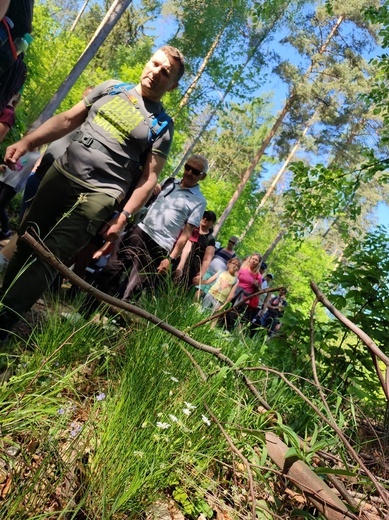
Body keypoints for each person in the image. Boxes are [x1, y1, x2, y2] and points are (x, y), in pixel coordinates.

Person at [0, 46, 185, 338]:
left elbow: (149, 178)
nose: (156, 73)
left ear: (172, 85)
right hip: (62, 172)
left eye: (166, 72)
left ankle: (3, 323)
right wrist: (28, 142)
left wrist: (122, 216)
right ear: (147, 62)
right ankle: (3, 305)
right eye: (155, 63)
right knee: (27, 241)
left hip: (101, 193)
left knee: (50, 256)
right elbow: (67, 120)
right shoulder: (111, 88)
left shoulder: (162, 125)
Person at [93, 155, 208, 300]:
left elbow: (186, 234)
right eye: (188, 167)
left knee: (134, 288)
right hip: (139, 231)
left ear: (202, 177)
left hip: (160, 245)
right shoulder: (170, 182)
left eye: (195, 171)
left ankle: (111, 319)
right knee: (110, 270)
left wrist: (170, 259)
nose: (190, 173)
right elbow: (149, 192)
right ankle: (84, 312)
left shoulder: (199, 201)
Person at [0, 148, 40, 239]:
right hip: (3, 178)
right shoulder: (20, 149)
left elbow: (34, 172)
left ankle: (6, 231)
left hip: (14, 184)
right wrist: (3, 166)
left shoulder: (37, 157)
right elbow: (9, 163)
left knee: (0, 206)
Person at [175, 210, 216, 289]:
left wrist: (200, 275)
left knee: (182, 290)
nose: (205, 219)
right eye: (204, 216)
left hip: (192, 269)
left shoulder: (210, 239)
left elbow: (207, 259)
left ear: (212, 223)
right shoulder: (191, 229)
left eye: (208, 218)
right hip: (178, 261)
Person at [222, 252, 262, 330]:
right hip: (233, 293)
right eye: (253, 259)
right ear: (250, 259)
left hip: (244, 298)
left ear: (258, 262)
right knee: (224, 310)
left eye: (256, 260)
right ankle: (217, 326)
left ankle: (226, 331)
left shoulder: (258, 276)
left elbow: (259, 291)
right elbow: (233, 277)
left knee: (232, 315)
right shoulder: (242, 267)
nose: (253, 261)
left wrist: (256, 286)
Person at [193, 235, 238, 299]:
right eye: (230, 241)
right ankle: (193, 302)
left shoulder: (233, 256)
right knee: (200, 287)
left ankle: (199, 305)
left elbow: (230, 267)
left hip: (217, 275)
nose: (230, 243)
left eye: (233, 243)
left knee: (207, 290)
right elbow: (212, 256)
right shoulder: (221, 249)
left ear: (235, 245)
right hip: (209, 271)